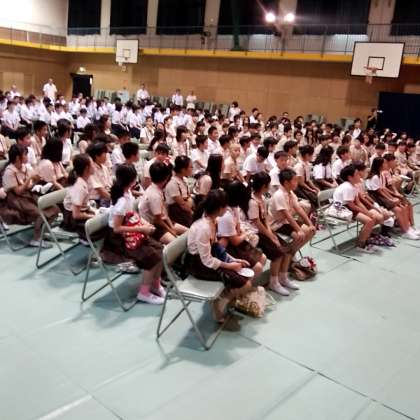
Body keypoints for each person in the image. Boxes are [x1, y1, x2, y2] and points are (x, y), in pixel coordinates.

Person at [186, 189, 253, 322]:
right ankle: (220, 303)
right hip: (199, 266)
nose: (227, 209)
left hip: (209, 259)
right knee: (245, 284)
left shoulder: (212, 220)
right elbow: (207, 260)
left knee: (244, 275)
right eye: (225, 206)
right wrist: (230, 265)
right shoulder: (204, 227)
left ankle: (224, 300)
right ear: (220, 208)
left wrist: (234, 260)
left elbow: (216, 247)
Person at [103, 164, 165, 304]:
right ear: (132, 180)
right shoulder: (121, 202)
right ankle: (144, 293)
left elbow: (132, 216)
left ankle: (155, 284)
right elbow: (117, 228)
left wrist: (144, 223)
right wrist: (141, 229)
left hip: (130, 232)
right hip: (118, 240)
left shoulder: (128, 194)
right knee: (151, 257)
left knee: (160, 249)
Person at [244, 172, 294, 296]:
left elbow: (265, 219)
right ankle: (274, 282)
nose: (270, 186)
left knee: (286, 248)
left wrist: (271, 233)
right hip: (255, 233)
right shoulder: (252, 201)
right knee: (278, 254)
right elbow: (257, 223)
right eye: (268, 184)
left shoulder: (262, 198)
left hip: (264, 231)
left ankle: (283, 277)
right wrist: (270, 236)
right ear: (264, 186)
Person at [2, 144, 58, 248]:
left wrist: (36, 180)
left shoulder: (25, 167)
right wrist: (29, 179)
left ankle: (42, 232)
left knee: (54, 209)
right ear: (18, 157)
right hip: (15, 199)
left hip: (27, 195)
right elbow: (18, 191)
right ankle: (36, 238)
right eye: (25, 154)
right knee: (40, 214)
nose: (27, 156)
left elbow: (28, 187)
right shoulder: (9, 172)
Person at [268, 168, 315, 273]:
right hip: (276, 225)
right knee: (299, 236)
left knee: (311, 231)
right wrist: (298, 230)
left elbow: (299, 209)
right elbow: (287, 215)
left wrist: (310, 223)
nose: (297, 182)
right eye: (294, 180)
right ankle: (288, 256)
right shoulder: (279, 195)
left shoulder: (290, 193)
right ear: (286, 182)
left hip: (285, 222)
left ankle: (290, 254)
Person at [218, 181, 266, 280]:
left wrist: (241, 233)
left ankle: (249, 284)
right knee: (257, 268)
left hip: (236, 239)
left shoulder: (234, 207)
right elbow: (234, 241)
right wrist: (244, 234)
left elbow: (238, 226)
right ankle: (246, 285)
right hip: (228, 247)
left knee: (263, 258)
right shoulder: (226, 215)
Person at [366, 157, 418, 240]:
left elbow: (383, 189)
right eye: (384, 163)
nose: (386, 164)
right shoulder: (375, 177)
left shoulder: (380, 174)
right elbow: (380, 192)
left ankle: (408, 228)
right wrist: (391, 199)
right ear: (380, 165)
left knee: (403, 207)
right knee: (398, 209)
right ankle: (405, 231)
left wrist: (392, 197)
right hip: (376, 199)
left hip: (381, 197)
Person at [333, 164, 378, 252]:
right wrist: (367, 213)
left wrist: (367, 212)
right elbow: (352, 206)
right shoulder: (347, 187)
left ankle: (364, 237)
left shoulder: (353, 185)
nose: (359, 175)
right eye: (357, 174)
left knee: (372, 218)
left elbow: (358, 202)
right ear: (350, 177)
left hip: (348, 207)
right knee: (369, 221)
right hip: (341, 209)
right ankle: (360, 245)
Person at [139, 161, 187, 244]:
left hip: (162, 220)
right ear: (167, 177)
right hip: (153, 226)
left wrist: (172, 228)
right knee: (177, 244)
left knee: (189, 232)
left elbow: (164, 214)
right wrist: (172, 232)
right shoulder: (154, 195)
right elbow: (157, 220)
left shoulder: (157, 189)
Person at [62, 154, 96, 238]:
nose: (94, 166)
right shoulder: (79, 186)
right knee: (101, 226)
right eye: (92, 164)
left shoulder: (86, 179)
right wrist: (92, 216)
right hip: (72, 220)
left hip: (82, 212)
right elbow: (76, 215)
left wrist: (93, 211)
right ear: (87, 168)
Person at [165, 155, 194, 227]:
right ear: (183, 169)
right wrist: (190, 202)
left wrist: (189, 201)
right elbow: (183, 206)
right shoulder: (173, 184)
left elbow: (188, 198)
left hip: (186, 211)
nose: (192, 169)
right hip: (177, 216)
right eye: (191, 167)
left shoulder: (185, 180)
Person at [87, 142, 112, 207]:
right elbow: (100, 190)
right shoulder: (91, 170)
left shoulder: (104, 168)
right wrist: (114, 200)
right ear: (97, 156)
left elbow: (109, 186)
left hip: (107, 196)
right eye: (104, 153)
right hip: (96, 200)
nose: (106, 155)